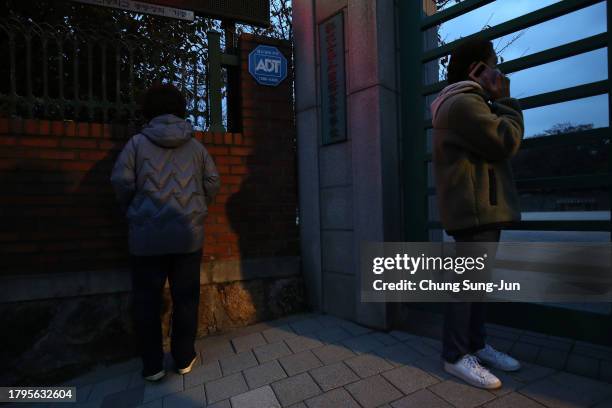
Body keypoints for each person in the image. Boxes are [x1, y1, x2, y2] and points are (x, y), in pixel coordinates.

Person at [430, 38, 523, 390]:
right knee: (467, 286)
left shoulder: (467, 102)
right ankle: (455, 355)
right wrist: (506, 101)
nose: (499, 72)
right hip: (475, 210)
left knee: (475, 285)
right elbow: (506, 140)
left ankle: (476, 344)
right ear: (476, 70)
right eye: (493, 64)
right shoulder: (464, 104)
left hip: (480, 207)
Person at [110, 83, 220, 381]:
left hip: (146, 239)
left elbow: (121, 182)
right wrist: (199, 207)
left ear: (148, 111)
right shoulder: (196, 147)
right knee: (186, 299)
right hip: (187, 235)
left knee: (147, 301)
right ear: (180, 110)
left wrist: (133, 210)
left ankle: (153, 366)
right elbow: (212, 182)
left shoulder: (135, 145)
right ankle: (184, 358)